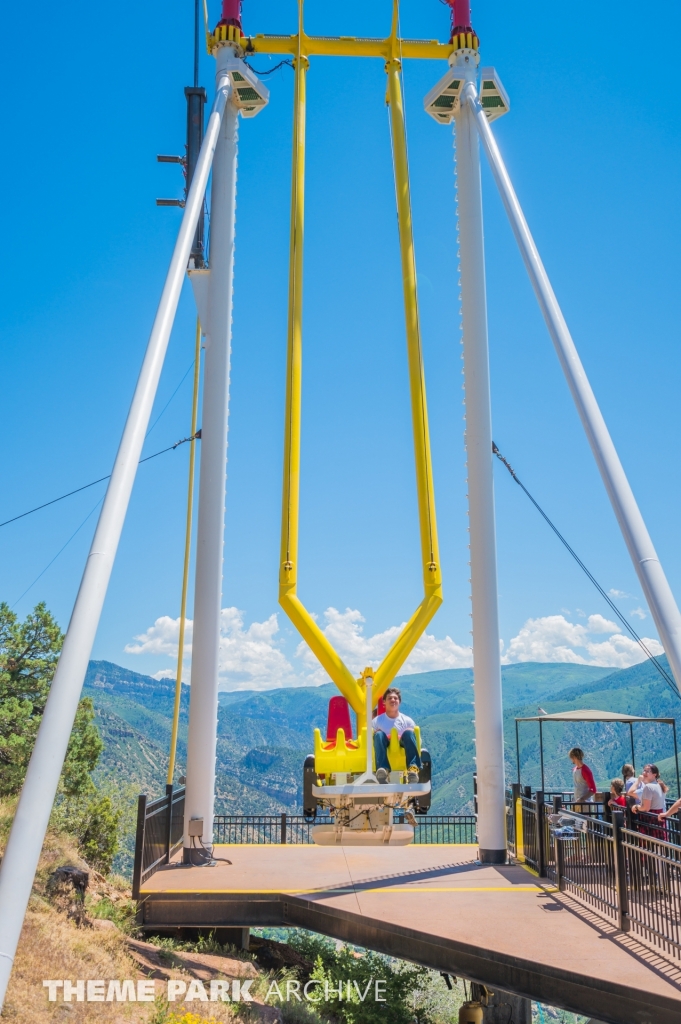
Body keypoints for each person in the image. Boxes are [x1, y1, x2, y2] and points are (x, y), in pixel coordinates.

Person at [372, 687, 421, 784]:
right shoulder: (376, 721)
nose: (393, 700)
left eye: (395, 698)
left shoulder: (407, 721)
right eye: (389, 698)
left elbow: (417, 740)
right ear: (384, 702)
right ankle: (383, 769)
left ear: (399, 702)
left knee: (409, 733)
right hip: (384, 744)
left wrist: (401, 736)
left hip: (401, 745)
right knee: (378, 734)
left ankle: (412, 768)